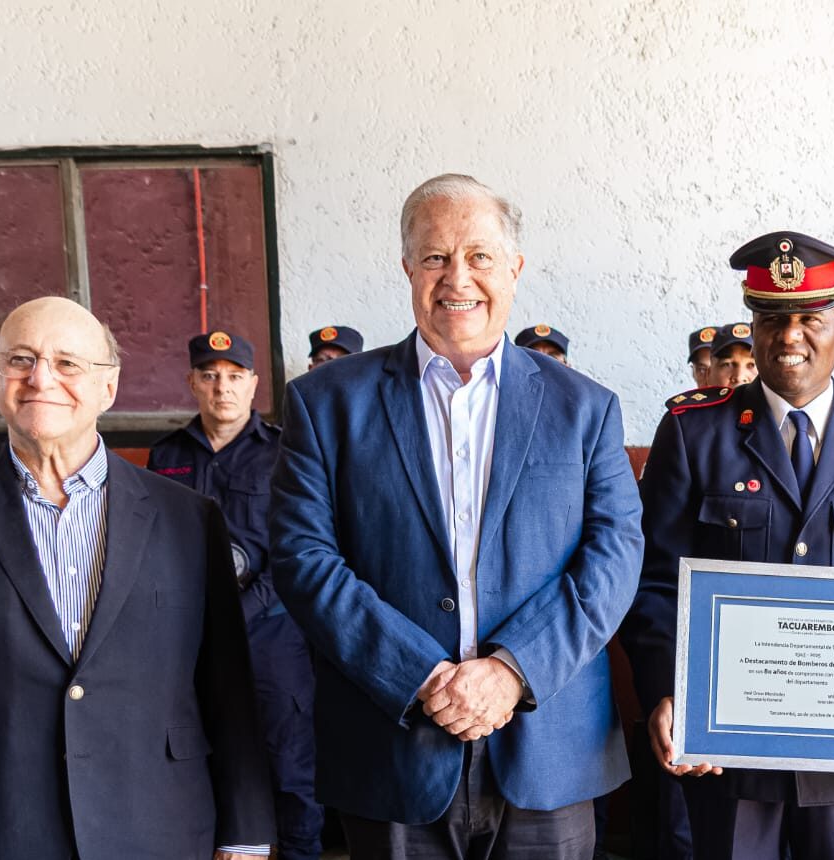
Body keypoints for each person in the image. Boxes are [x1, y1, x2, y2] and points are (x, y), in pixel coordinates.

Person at [271, 173, 644, 859]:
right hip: (391, 748)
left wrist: (511, 670)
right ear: (408, 268)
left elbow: (613, 559)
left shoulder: (585, 409)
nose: (457, 278)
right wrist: (418, 674)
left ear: (514, 268)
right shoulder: (325, 405)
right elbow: (304, 559)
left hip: (548, 751)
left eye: (478, 256)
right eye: (436, 257)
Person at [0, 296, 275, 859]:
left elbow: (226, 687)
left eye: (68, 363)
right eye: (21, 359)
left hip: (160, 827)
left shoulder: (188, 517)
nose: (41, 378)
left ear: (109, 387)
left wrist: (246, 834)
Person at [622, 230, 834, 860]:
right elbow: (656, 581)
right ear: (752, 329)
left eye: (810, 318)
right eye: (771, 318)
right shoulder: (695, 433)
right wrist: (668, 689)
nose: (789, 335)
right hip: (727, 755)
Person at [148, 330, 323, 860]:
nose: (221, 388)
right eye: (209, 376)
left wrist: (235, 614)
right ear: (192, 384)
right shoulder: (167, 456)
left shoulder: (284, 453)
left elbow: (295, 550)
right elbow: (156, 548)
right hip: (189, 641)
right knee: (199, 759)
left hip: (272, 636)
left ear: (253, 385)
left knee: (291, 770)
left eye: (233, 377)